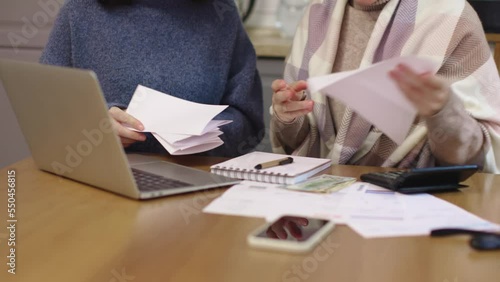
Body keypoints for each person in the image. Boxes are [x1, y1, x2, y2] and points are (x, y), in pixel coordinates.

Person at [271, 0, 500, 173]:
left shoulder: (451, 18)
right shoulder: (317, 12)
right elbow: (298, 144)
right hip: (319, 199)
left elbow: (478, 157)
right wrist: (288, 117)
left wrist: (444, 112)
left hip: (417, 203)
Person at [40, 0, 264, 157]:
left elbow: (249, 124)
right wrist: (92, 123)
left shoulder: (221, 11)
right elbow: (43, 108)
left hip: (198, 182)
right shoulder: (79, 11)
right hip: (100, 180)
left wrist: (200, 133)